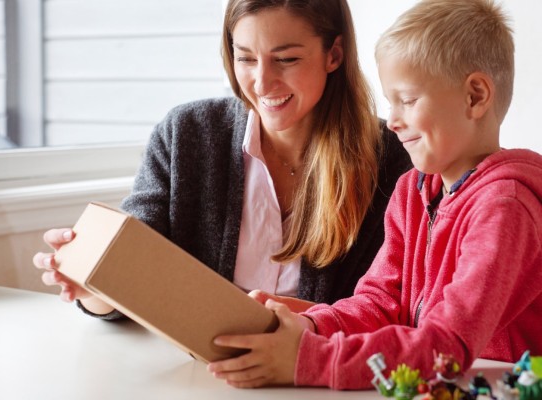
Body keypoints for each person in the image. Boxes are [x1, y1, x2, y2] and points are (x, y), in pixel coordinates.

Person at [207, 0, 542, 390]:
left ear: (475, 96)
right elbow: (379, 303)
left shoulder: (505, 209)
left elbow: (446, 348)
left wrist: (307, 359)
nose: (394, 121)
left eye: (408, 100)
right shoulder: (412, 193)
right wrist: (309, 325)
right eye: (390, 102)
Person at [32, 0, 410, 318]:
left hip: (318, 375)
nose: (262, 83)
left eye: (287, 59)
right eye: (245, 58)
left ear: (334, 54)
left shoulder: (392, 158)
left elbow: (394, 307)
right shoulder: (186, 134)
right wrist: (91, 280)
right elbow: (133, 273)